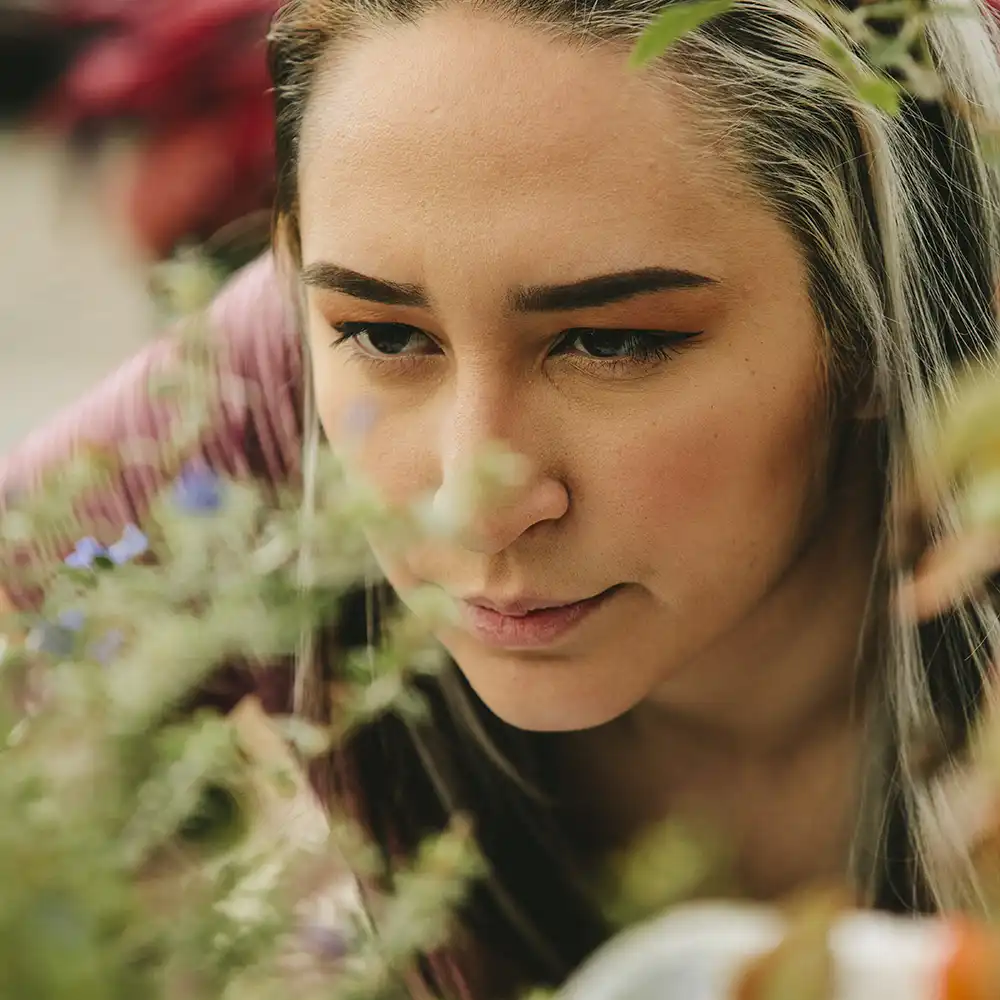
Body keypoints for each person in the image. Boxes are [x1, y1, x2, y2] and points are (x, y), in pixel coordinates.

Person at [4, 0, 1000, 994]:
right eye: (388, 337)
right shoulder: (274, 389)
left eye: (611, 341)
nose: (473, 505)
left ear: (872, 313)